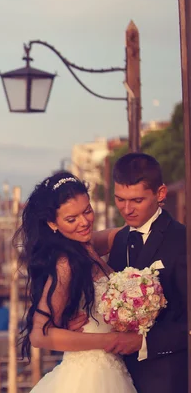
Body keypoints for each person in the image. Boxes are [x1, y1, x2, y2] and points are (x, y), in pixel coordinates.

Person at [15, 171, 137, 393]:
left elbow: (121, 235)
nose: (84, 222)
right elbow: (39, 334)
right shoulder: (65, 263)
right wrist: (112, 340)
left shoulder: (87, 246)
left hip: (111, 368)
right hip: (91, 375)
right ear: (53, 223)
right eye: (71, 219)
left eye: (87, 211)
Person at [96, 152, 187, 393]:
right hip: (118, 376)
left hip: (167, 378)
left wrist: (144, 342)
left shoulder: (182, 240)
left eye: (137, 200)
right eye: (120, 199)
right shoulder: (119, 240)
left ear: (160, 194)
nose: (127, 210)